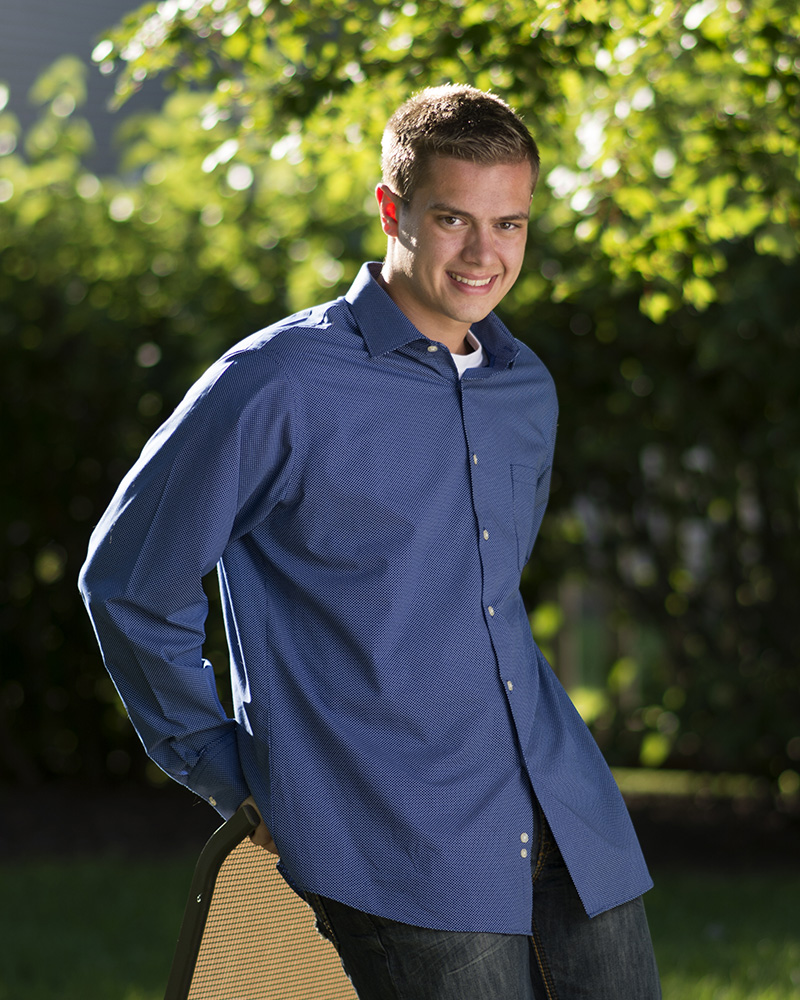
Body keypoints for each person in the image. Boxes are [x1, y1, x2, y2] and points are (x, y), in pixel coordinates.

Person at [79, 85, 661, 999]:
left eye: (509, 223)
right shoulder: (277, 384)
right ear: (392, 211)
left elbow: (481, 593)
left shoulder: (524, 387)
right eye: (451, 219)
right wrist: (220, 761)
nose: (484, 253)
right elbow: (127, 580)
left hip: (565, 808)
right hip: (396, 829)